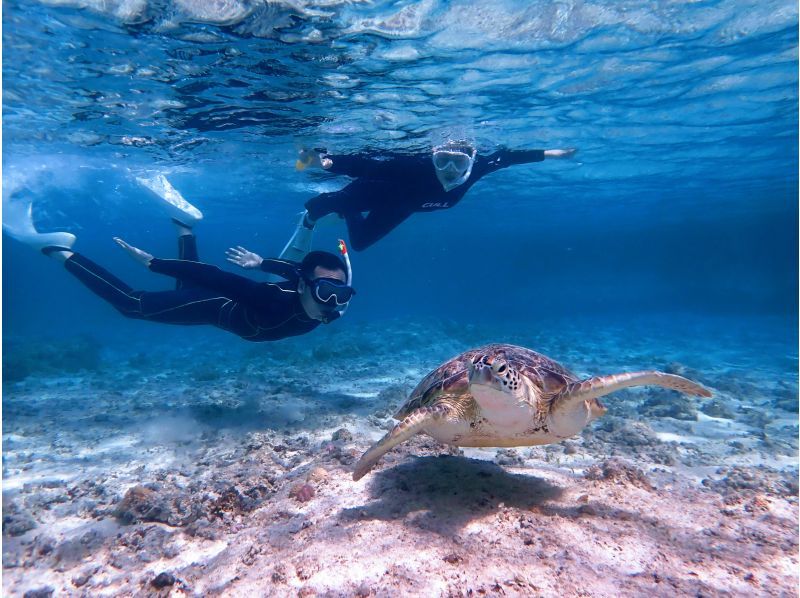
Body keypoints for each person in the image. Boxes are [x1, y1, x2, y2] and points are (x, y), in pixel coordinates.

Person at [3, 176, 355, 341]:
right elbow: (218, 278)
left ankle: (185, 227)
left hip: (219, 302)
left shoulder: (328, 306)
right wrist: (155, 264)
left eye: (341, 294)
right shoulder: (270, 300)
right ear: (307, 288)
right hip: (215, 305)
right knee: (131, 304)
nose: (333, 303)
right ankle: (56, 249)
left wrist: (263, 263)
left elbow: (293, 269)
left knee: (188, 285)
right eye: (326, 292)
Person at [279, 140, 577, 257]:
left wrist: (553, 154)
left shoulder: (480, 168)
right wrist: (325, 162)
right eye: (442, 160)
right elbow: (366, 164)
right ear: (432, 157)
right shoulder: (414, 166)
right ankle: (310, 220)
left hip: (401, 207)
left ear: (472, 162)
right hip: (369, 191)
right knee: (318, 208)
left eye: (458, 163)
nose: (449, 170)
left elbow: (508, 157)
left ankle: (344, 212)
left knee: (359, 244)